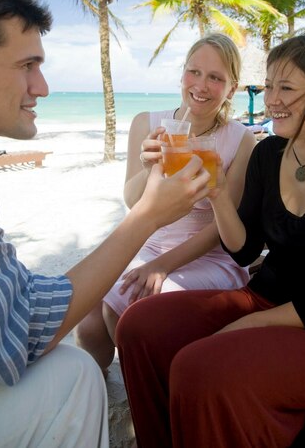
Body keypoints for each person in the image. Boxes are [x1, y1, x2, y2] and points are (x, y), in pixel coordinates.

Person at [0, 0, 212, 448]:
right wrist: (147, 217)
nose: (43, 88)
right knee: (74, 374)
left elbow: (0, 304)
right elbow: (18, 332)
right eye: (27, 66)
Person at [116, 33, 305, 448]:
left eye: (286, 88)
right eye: (269, 86)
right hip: (263, 297)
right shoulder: (270, 155)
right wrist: (217, 196)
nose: (271, 100)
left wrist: (236, 327)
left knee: (200, 368)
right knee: (139, 327)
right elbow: (246, 249)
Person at [75, 33, 256, 372]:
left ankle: (154, 393)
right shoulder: (147, 123)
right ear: (182, 75)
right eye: (194, 72)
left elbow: (222, 229)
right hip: (150, 243)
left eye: (216, 78)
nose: (201, 85)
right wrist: (148, 168)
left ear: (231, 89)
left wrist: (163, 266)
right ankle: (95, 392)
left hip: (208, 255)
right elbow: (132, 199)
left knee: (122, 309)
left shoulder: (241, 141)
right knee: (88, 323)